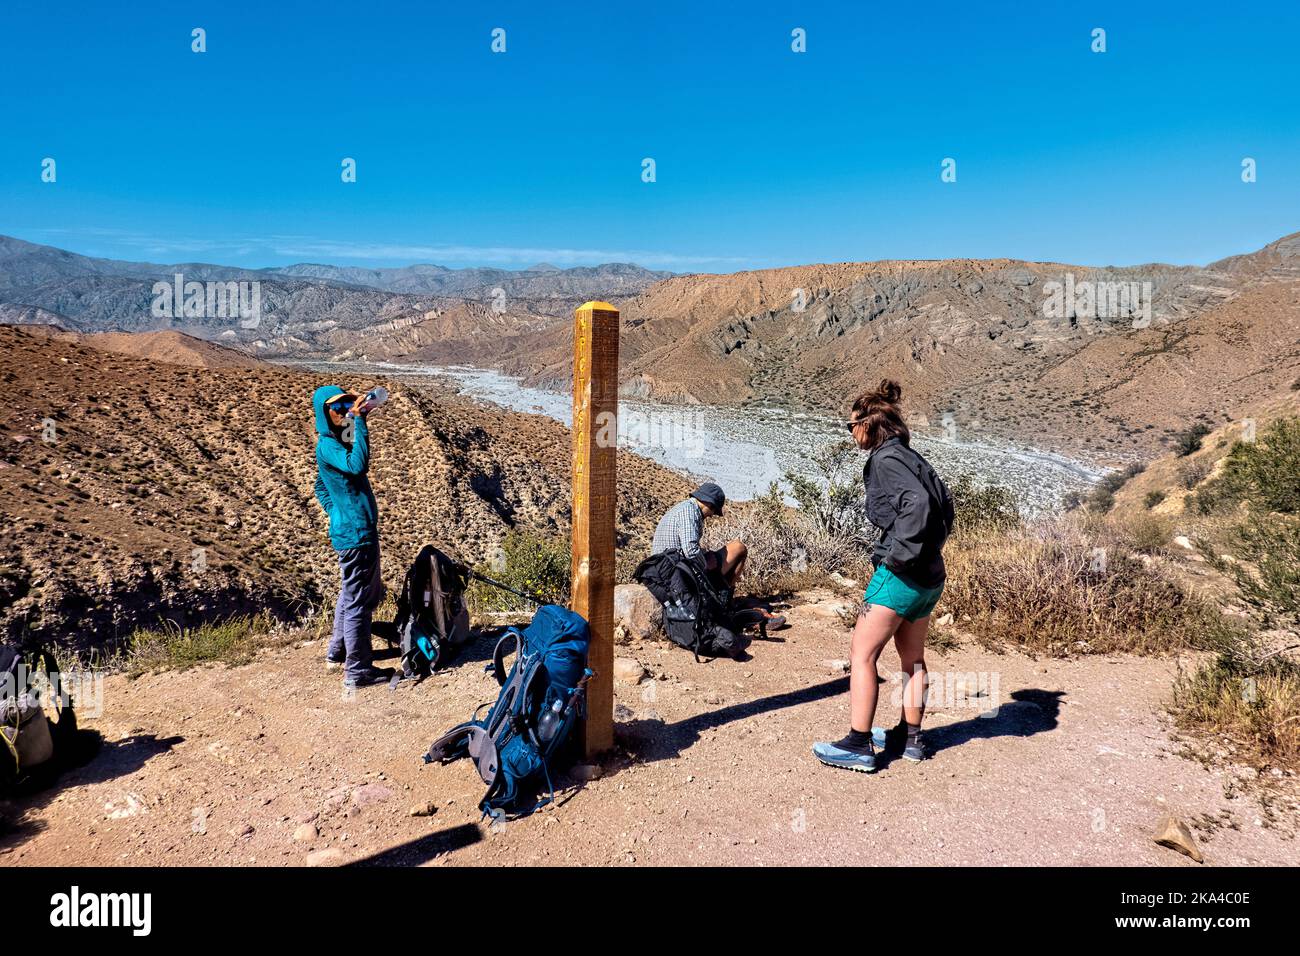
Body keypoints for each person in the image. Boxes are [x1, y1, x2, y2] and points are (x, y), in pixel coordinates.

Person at [812, 380, 954, 773]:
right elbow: (944, 507)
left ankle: (858, 743)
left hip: (902, 576)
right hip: (929, 577)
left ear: (868, 424)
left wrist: (897, 558)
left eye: (850, 426)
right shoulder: (912, 458)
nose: (850, 432)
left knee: (862, 654)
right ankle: (912, 739)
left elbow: (920, 505)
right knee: (913, 659)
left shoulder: (886, 461)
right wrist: (928, 551)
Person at [311, 385, 392, 689]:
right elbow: (358, 465)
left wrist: (336, 510)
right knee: (360, 602)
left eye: (346, 403)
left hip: (352, 528)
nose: (344, 409)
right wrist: (360, 422)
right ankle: (357, 671)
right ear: (323, 412)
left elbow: (320, 485)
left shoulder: (335, 440)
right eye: (337, 407)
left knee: (349, 593)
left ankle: (338, 652)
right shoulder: (327, 445)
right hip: (356, 533)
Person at [651, 482, 784, 627]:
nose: (712, 515)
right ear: (710, 503)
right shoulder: (690, 512)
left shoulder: (680, 508)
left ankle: (725, 600)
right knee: (739, 548)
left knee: (714, 558)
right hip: (681, 575)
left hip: (667, 572)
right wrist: (706, 562)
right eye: (714, 511)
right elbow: (690, 550)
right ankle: (726, 602)